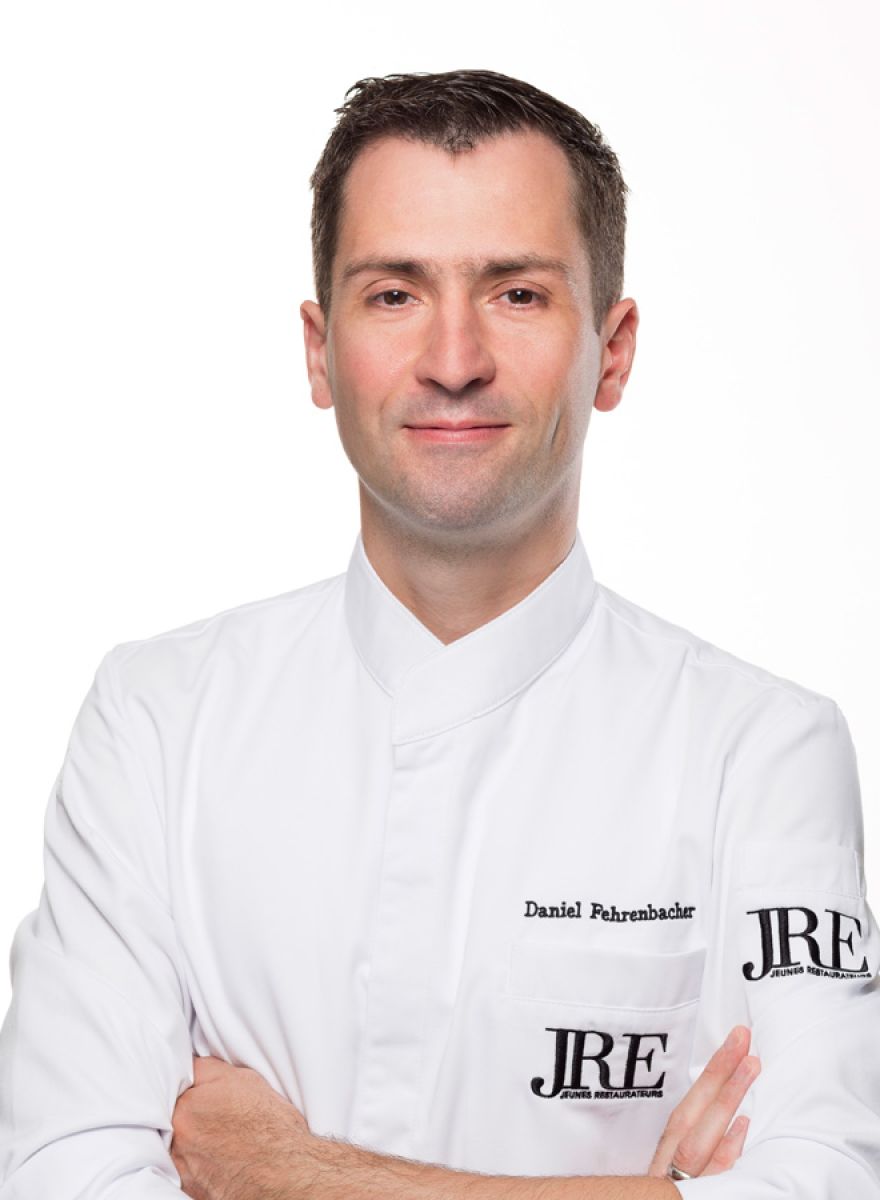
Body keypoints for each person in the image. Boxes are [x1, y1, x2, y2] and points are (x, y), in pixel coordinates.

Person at [1, 68, 878, 1200]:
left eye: (516, 293)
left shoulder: (762, 754)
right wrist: (645, 1193)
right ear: (318, 350)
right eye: (393, 294)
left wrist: (280, 1171)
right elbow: (62, 1175)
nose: (453, 359)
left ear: (611, 350)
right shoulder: (157, 725)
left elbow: (823, 1184)